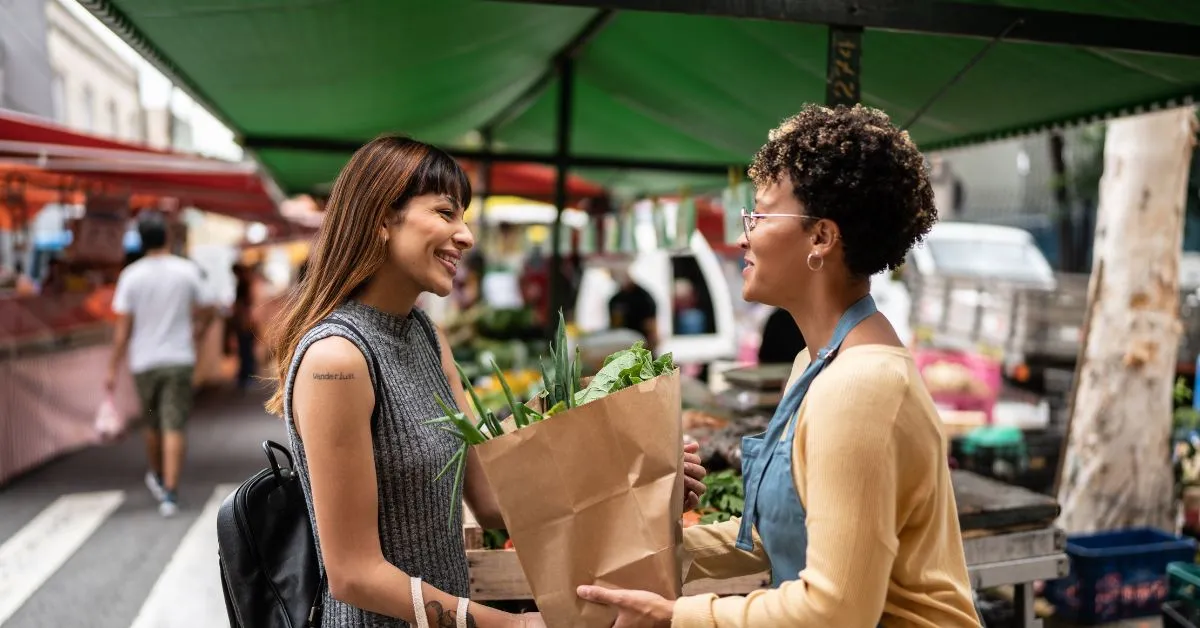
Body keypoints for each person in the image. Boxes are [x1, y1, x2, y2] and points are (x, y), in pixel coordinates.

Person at [264, 136, 707, 628]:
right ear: (381, 219)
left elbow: (493, 500)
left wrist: (642, 484)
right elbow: (353, 575)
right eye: (445, 212)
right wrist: (513, 626)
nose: (466, 236)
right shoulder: (337, 360)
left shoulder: (426, 337)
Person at [577, 104, 981, 627]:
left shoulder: (861, 386)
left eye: (761, 216)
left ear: (821, 238)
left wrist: (677, 616)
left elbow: (835, 611)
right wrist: (649, 550)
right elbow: (775, 535)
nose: (743, 236)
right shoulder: (815, 362)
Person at [106, 213, 214, 517]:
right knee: (174, 424)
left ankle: (157, 474)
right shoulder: (186, 271)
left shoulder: (131, 276)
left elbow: (122, 330)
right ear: (167, 237)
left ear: (141, 241)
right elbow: (210, 307)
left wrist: (112, 367)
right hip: (179, 359)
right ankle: (170, 492)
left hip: (145, 362)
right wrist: (198, 332)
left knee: (152, 423)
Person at [608, 267, 658, 351]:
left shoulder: (644, 297)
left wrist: (652, 343)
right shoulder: (615, 299)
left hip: (642, 342)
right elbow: (614, 325)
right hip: (623, 343)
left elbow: (650, 324)